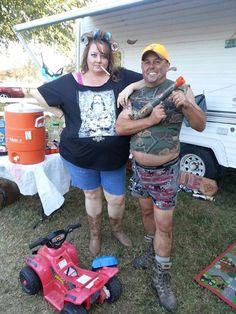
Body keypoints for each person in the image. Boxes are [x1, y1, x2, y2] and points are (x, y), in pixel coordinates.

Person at [32, 29, 143, 257]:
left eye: (103, 56)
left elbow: (149, 79)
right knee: (91, 195)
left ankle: (116, 229)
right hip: (79, 156)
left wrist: (131, 88)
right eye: (94, 55)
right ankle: (95, 235)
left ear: (109, 58)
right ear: (86, 56)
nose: (98, 60)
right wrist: (61, 114)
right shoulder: (71, 81)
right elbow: (37, 94)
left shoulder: (119, 77)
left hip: (113, 156)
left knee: (117, 198)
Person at [116, 43, 206, 312]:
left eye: (158, 61)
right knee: (146, 215)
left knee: (164, 225)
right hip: (140, 172)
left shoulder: (181, 88)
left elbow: (200, 124)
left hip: (166, 172)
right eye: (147, 62)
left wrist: (187, 105)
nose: (151, 66)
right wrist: (151, 120)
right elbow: (121, 127)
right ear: (142, 66)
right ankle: (149, 251)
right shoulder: (136, 92)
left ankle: (161, 278)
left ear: (167, 65)